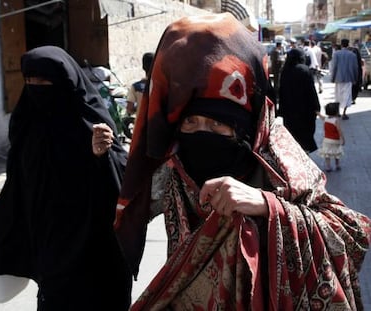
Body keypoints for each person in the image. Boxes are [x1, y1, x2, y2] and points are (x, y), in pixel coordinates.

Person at [111, 13, 371, 310]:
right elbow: (124, 203)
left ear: (245, 123)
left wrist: (266, 205)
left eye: (218, 123)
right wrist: (100, 155)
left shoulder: (279, 160)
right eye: (191, 122)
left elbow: (352, 233)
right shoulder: (176, 168)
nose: (202, 134)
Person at [0, 46, 132, 310]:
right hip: (52, 244)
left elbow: (122, 182)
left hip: (98, 246)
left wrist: (101, 156)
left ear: (65, 82)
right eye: (29, 81)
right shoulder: (26, 125)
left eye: (44, 81)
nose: (36, 87)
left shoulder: (93, 124)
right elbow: (17, 184)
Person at [278, 47, 322, 153]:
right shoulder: (304, 70)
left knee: (292, 136)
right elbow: (311, 91)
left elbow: (281, 92)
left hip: (289, 111)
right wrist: (316, 107)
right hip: (304, 111)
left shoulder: (285, 71)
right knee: (304, 136)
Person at [330, 38, 359, 120]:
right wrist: (355, 78)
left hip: (338, 78)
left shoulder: (336, 54)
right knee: (347, 96)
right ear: (348, 44)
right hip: (349, 78)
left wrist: (332, 77)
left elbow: (334, 67)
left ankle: (338, 112)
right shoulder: (352, 55)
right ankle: (344, 113)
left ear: (341, 45)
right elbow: (355, 68)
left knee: (338, 95)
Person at [126, 52, 154, 116]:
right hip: (156, 123)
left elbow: (129, 108)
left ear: (143, 67)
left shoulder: (136, 87)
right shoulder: (161, 86)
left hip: (141, 122)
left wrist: (138, 108)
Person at [319, 102, 345, 172]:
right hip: (335, 140)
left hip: (326, 139)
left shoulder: (326, 119)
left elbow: (321, 117)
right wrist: (343, 139)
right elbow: (339, 130)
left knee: (327, 153)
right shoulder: (336, 121)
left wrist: (317, 113)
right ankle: (337, 165)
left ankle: (328, 166)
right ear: (336, 112)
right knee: (337, 153)